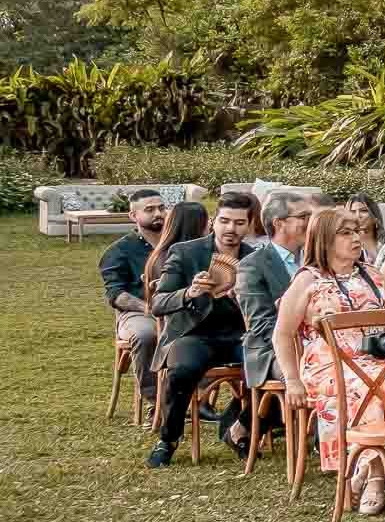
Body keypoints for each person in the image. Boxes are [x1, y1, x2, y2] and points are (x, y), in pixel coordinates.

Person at [277, 205, 385, 517]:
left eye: (356, 231)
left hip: (378, 359)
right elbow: (283, 335)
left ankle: (378, 466)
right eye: (345, 233)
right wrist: (292, 380)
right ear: (324, 239)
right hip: (330, 364)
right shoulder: (307, 280)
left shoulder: (373, 275)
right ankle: (376, 478)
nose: (355, 238)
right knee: (369, 390)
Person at [146, 192, 256, 468]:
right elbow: (158, 303)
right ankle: (169, 438)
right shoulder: (185, 252)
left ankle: (238, 426)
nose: (231, 229)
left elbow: (269, 307)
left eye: (239, 223)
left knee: (274, 369)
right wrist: (189, 292)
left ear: (249, 225)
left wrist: (244, 299)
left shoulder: (254, 258)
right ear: (213, 221)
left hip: (239, 335)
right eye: (225, 221)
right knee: (183, 370)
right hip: (194, 334)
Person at [234, 187, 312, 453]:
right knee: (313, 368)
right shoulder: (252, 265)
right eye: (303, 216)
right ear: (279, 223)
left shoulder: (315, 259)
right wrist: (299, 338)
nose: (310, 222)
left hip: (317, 342)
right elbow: (260, 323)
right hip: (270, 349)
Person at [100, 189, 170, 427]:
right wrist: (148, 308)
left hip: (178, 308)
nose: (158, 213)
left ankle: (198, 399)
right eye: (149, 209)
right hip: (138, 313)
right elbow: (116, 294)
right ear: (133, 215)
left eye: (161, 208)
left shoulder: (178, 244)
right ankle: (155, 403)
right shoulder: (119, 251)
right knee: (146, 334)